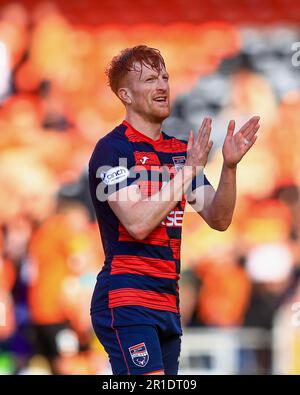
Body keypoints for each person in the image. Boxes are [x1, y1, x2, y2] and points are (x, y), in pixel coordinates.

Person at [88, 45, 260, 375]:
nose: (163, 86)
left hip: (168, 300)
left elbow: (219, 218)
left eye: (165, 77)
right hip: (127, 299)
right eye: (151, 79)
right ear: (125, 94)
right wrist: (189, 171)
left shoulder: (180, 152)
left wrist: (229, 167)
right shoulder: (113, 149)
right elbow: (137, 223)